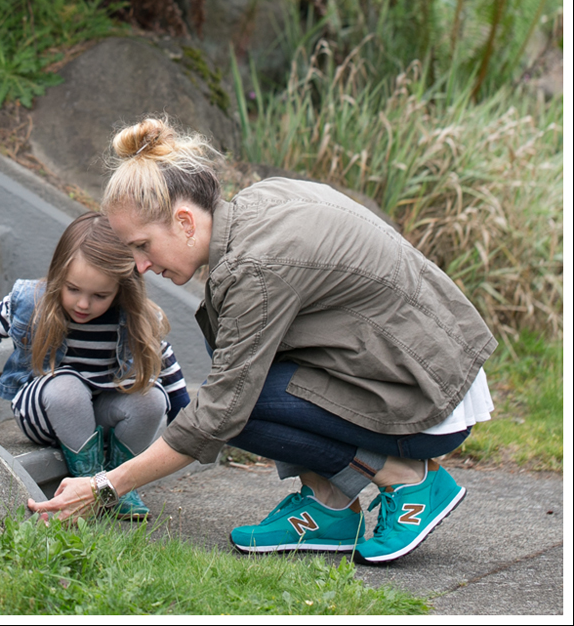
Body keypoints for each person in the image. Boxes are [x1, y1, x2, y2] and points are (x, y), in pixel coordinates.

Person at [30, 118, 496, 564]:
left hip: (429, 397)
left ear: (186, 222)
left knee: (235, 405)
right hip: (422, 370)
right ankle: (328, 506)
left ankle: (407, 480)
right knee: (235, 370)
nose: (140, 266)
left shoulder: (255, 268)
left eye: (142, 245)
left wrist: (105, 485)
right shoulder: (255, 206)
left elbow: (218, 413)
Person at [0, 210, 189, 519]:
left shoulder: (132, 316)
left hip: (98, 411)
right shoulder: (33, 301)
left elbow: (164, 360)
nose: (83, 304)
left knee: (152, 398)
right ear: (59, 274)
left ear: (120, 288)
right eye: (73, 289)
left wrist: (184, 415)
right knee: (67, 387)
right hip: (46, 409)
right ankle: (87, 480)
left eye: (100, 295)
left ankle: (115, 483)